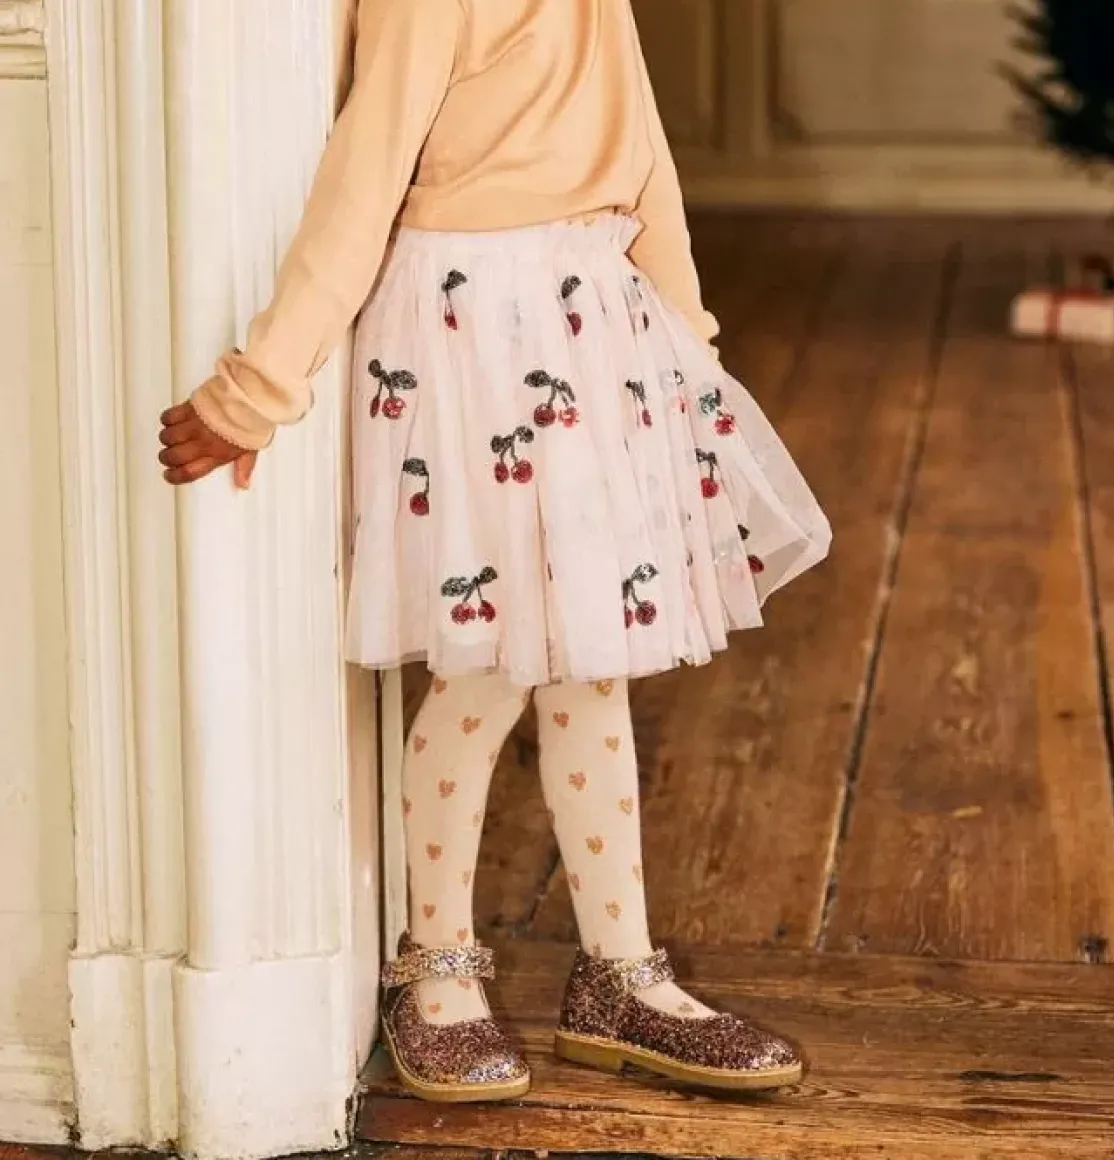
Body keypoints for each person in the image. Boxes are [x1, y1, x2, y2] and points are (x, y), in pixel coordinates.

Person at [158, 0, 831, 1104]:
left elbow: (646, 162)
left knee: (592, 663)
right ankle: (436, 960)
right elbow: (362, 180)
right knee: (484, 669)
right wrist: (258, 386)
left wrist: (691, 350)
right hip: (472, 330)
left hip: (595, 323)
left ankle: (620, 972)